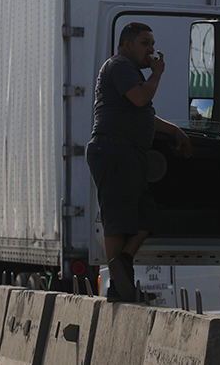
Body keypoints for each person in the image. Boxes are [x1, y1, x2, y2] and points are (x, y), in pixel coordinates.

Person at [86, 22, 191, 302]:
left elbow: (142, 113)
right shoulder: (119, 65)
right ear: (127, 45)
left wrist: (175, 130)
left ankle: (122, 264)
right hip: (114, 150)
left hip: (130, 153)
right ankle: (120, 286)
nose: (151, 49)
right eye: (145, 43)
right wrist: (157, 75)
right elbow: (141, 98)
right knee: (118, 221)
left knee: (147, 215)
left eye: (153, 43)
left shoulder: (132, 73)